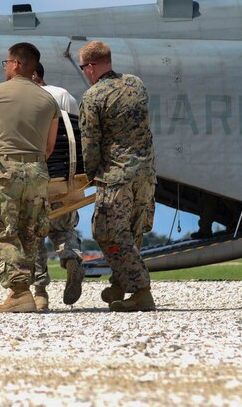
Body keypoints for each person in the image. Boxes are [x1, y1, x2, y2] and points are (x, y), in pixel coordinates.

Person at [0, 43, 60, 313]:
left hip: (6, 170)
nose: (5, 66)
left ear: (16, 63)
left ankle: (18, 292)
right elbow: (50, 146)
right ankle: (22, 292)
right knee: (29, 232)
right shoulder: (48, 99)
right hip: (38, 171)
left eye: (6, 62)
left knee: (0, 229)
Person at [78, 40, 158, 312]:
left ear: (90, 66)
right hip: (146, 175)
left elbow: (90, 143)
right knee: (131, 232)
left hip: (117, 176)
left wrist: (91, 174)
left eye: (82, 67)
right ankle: (120, 284)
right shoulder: (136, 84)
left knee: (107, 230)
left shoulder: (93, 96)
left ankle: (141, 291)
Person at [31, 63, 85, 309]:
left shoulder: (22, 98)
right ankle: (71, 258)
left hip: (33, 176)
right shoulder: (63, 95)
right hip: (64, 178)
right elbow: (76, 133)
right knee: (63, 229)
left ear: (34, 74)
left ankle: (40, 292)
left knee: (33, 235)